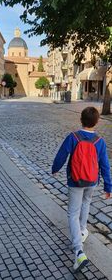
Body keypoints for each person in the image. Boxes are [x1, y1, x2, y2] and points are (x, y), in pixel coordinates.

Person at [52, 106, 112, 273]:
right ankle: (83, 230)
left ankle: (79, 251)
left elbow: (61, 155)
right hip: (92, 181)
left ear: (81, 120)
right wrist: (108, 186)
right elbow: (105, 166)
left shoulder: (73, 137)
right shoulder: (99, 141)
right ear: (97, 122)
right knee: (86, 204)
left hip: (75, 181)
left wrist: (55, 169)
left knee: (72, 212)